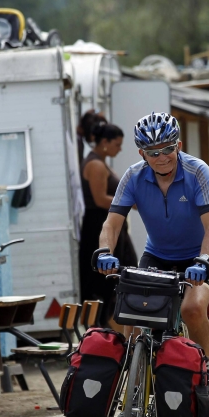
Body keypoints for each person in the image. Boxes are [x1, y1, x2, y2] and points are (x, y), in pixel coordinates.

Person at [96, 112, 209, 380]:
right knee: (134, 315)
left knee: (192, 308)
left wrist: (204, 260)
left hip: (198, 256)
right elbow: (112, 224)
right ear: (142, 153)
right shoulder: (132, 176)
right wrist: (105, 252)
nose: (162, 157)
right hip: (157, 255)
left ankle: (206, 367)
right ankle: (134, 388)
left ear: (178, 145)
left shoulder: (197, 171)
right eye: (154, 152)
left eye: (168, 149)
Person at [78, 123, 137, 327]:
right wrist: (131, 202)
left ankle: (113, 322)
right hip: (99, 225)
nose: (119, 149)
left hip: (112, 224)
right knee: (104, 278)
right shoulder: (95, 164)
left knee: (124, 270)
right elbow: (100, 198)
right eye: (117, 144)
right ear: (105, 142)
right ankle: (101, 326)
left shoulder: (102, 162)